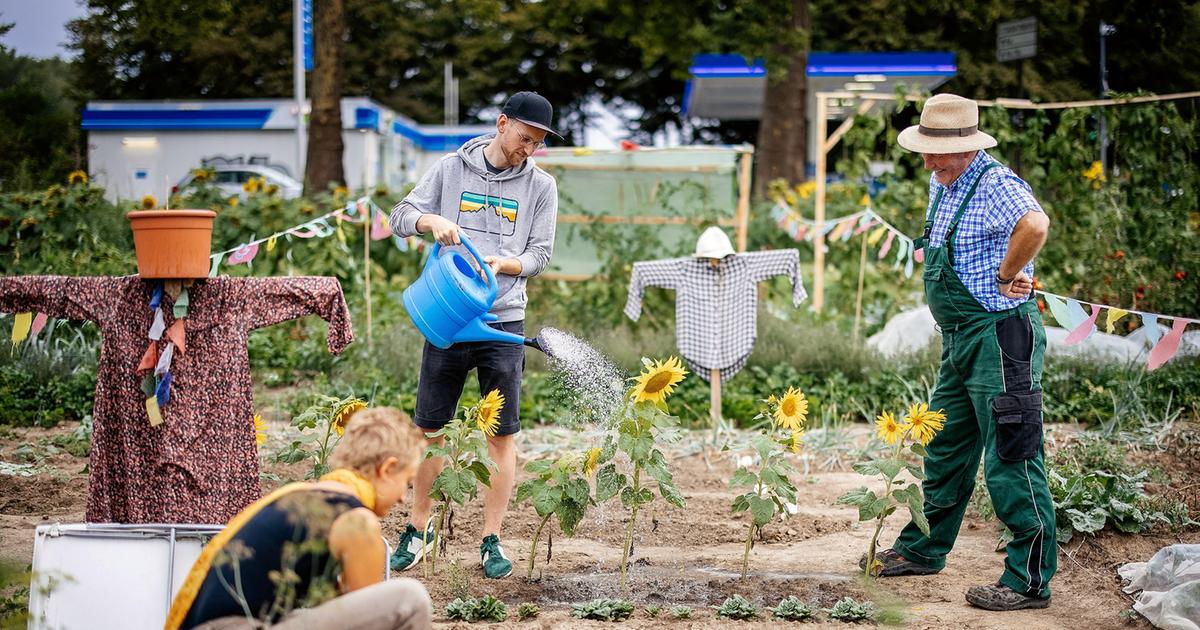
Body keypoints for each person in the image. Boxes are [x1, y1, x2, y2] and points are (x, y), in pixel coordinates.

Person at [865, 93, 1055, 612]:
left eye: (936, 153)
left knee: (1011, 454)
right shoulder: (943, 180)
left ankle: (1028, 580)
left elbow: (1034, 226)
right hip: (960, 340)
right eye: (923, 151)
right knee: (946, 445)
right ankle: (924, 549)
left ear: (968, 147)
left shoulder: (997, 184)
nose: (927, 162)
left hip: (1000, 337)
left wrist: (1006, 272)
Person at [388, 91, 559, 579]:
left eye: (538, 143)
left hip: (503, 322)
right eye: (525, 138)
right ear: (502, 124)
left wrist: (507, 263)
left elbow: (540, 255)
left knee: (500, 437)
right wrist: (432, 220)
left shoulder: (541, 187)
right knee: (430, 430)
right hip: (448, 316)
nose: (530, 149)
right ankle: (418, 530)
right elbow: (401, 216)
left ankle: (492, 540)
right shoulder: (450, 169)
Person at [166, 408, 432, 629]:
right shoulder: (356, 521)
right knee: (409, 599)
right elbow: (372, 618)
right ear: (386, 470)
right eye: (407, 483)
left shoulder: (302, 496)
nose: (401, 499)